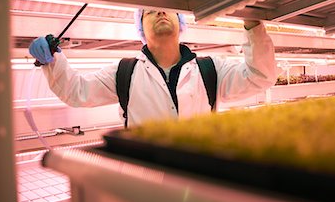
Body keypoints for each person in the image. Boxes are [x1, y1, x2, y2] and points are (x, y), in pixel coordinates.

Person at [29, 9, 277, 127]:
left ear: (181, 24)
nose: (160, 11)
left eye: (169, 9)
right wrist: (52, 60)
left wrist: (252, 24)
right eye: (149, 12)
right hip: (145, 184)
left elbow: (260, 77)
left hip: (199, 181)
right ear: (140, 29)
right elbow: (77, 91)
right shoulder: (124, 73)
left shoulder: (210, 69)